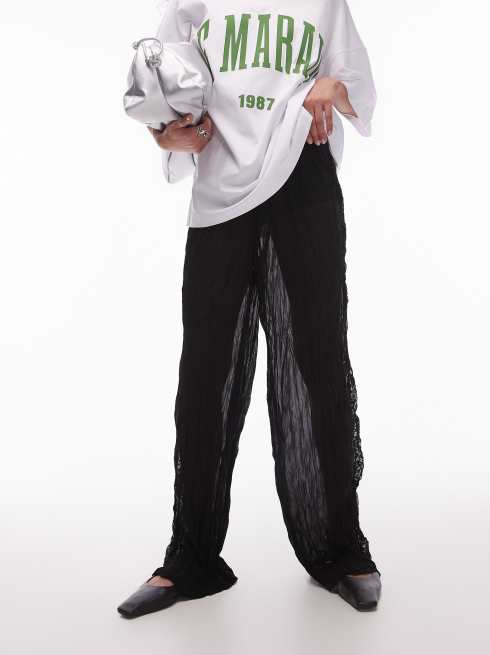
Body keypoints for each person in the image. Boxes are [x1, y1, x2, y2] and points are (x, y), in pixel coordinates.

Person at [117, 0, 382, 618]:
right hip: (220, 189)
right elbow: (159, 87)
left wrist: (331, 87)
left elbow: (355, 86)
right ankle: (190, 559)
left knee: (317, 361)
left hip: (303, 182)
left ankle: (341, 550)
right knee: (206, 372)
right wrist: (163, 132)